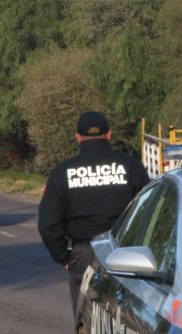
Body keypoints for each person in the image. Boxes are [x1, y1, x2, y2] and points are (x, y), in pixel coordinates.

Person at [38, 111, 150, 316]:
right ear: (109, 135)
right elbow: (150, 210)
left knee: (86, 319)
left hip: (83, 254)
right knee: (127, 319)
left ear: (78, 137)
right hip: (125, 253)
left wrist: (64, 256)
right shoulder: (130, 166)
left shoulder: (62, 173)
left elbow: (48, 224)